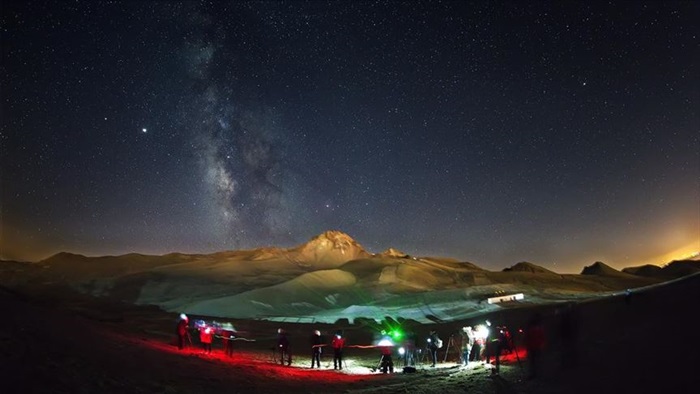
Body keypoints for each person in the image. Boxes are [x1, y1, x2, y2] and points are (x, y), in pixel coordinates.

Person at [525, 313, 545, 380]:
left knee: (534, 361)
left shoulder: (534, 328)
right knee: (535, 361)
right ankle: (536, 374)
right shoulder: (538, 327)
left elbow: (541, 336)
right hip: (534, 346)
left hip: (534, 346)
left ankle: (535, 374)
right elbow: (541, 336)